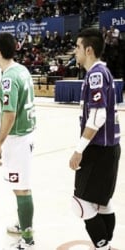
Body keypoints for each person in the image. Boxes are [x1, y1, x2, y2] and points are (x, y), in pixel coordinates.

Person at [0, 32, 36, 248]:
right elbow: (6, 102)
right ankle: (24, 224)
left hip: (18, 138)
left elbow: (9, 114)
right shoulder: (20, 70)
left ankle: (28, 239)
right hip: (25, 135)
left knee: (22, 187)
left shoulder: (10, 76)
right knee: (19, 185)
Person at [69, 28, 121, 250]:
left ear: (88, 50)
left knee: (80, 202)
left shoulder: (96, 74)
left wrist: (79, 149)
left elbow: (98, 115)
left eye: (78, 47)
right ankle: (105, 243)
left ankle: (102, 246)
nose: (75, 52)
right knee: (101, 203)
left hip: (98, 149)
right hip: (108, 149)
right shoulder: (101, 73)